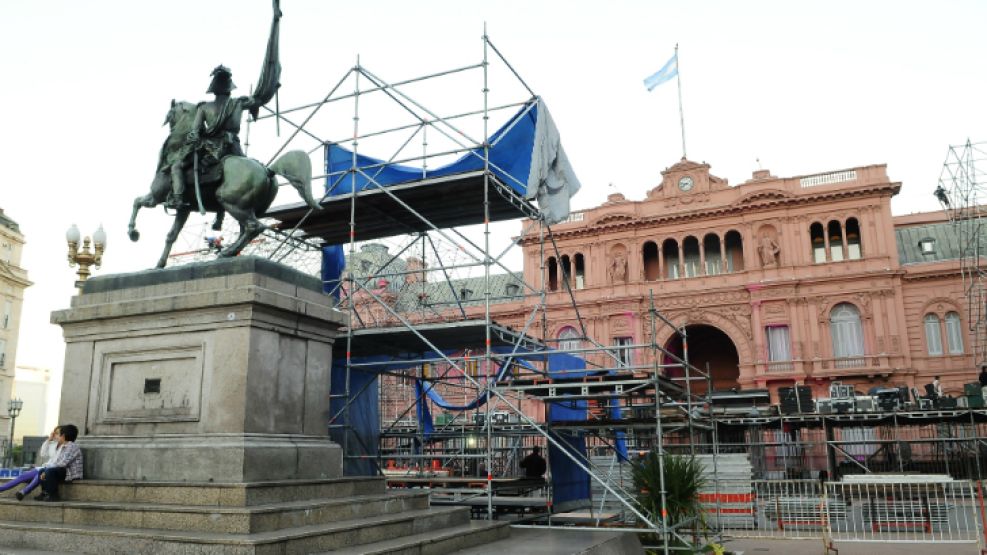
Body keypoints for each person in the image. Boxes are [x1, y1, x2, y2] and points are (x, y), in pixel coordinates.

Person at [161, 1, 283, 209]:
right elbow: (261, 97)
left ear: (214, 88)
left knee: (178, 166)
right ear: (229, 88)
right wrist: (270, 82)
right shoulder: (239, 102)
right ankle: (219, 214)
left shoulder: (204, 108)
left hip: (213, 150)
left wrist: (193, 140)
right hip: (233, 148)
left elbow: (194, 133)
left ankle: (179, 198)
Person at [0, 426, 59, 501]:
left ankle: (23, 492)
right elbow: (43, 454)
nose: (55, 435)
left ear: (63, 435)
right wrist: (48, 440)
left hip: (50, 470)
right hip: (43, 468)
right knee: (22, 477)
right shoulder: (53, 444)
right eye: (55, 433)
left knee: (38, 476)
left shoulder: (64, 447)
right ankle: (1, 489)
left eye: (57, 433)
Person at [36, 424, 82, 502]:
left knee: (49, 471)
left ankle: (53, 495)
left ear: (63, 436)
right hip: (63, 470)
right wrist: (45, 470)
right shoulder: (63, 446)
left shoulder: (71, 446)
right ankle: (44, 493)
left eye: (58, 434)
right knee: (42, 471)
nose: (56, 437)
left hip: (71, 473)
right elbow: (55, 461)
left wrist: (47, 471)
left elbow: (62, 463)